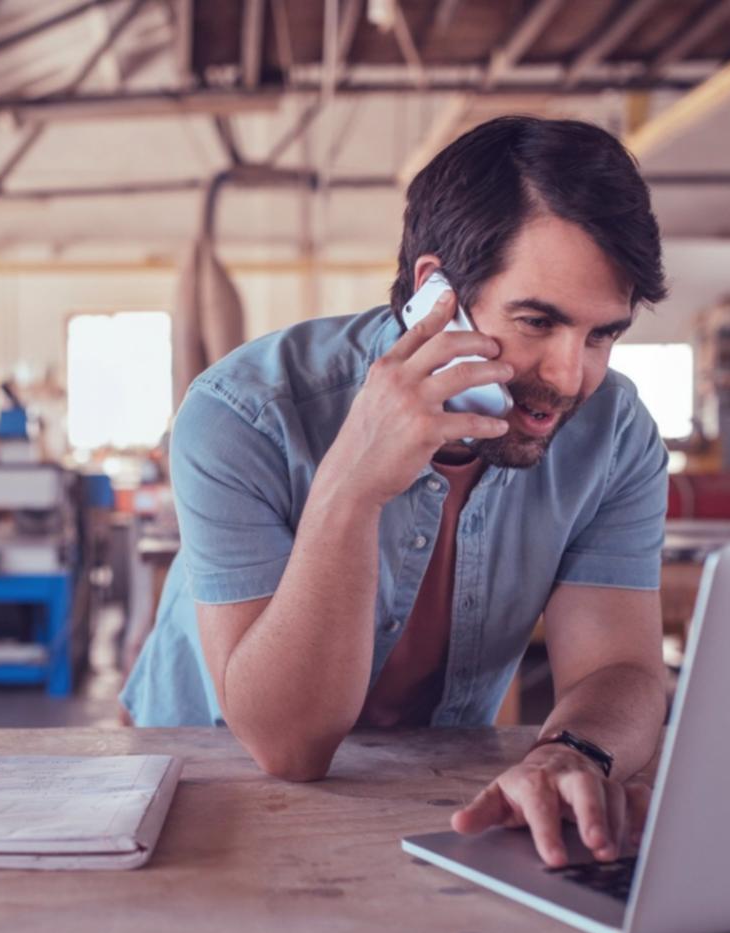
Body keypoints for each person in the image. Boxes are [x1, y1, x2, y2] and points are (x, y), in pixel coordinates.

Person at [122, 115, 672, 869]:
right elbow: (287, 748)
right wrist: (350, 490)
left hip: (440, 790)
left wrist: (573, 751)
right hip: (204, 782)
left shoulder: (614, 433)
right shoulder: (242, 413)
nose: (570, 376)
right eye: (536, 322)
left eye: (601, 335)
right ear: (434, 292)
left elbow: (622, 671)